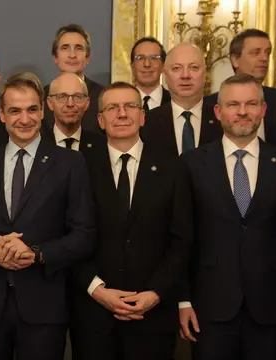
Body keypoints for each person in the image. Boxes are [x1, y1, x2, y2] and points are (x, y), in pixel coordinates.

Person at [0, 72, 95, 360]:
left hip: (43, 305)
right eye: (15, 110)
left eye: (31, 109)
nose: (24, 119)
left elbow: (84, 234)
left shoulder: (70, 163)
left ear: (43, 110)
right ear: (1, 114)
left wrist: (38, 254)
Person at [69, 82, 193, 360]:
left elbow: (181, 240)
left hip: (153, 315)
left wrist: (156, 293)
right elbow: (68, 236)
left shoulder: (173, 167)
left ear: (143, 115)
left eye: (130, 106)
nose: (122, 113)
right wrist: (97, 289)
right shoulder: (77, 166)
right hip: (93, 315)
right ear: (100, 119)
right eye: (112, 108)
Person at [179, 74, 276, 360]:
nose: (243, 112)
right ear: (218, 111)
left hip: (271, 307)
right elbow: (182, 237)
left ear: (263, 109)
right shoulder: (192, 163)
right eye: (233, 104)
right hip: (210, 308)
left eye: (251, 104)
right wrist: (183, 300)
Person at [142, 43, 222, 157]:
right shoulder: (147, 123)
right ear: (165, 74)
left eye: (193, 67)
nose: (185, 75)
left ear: (205, 74)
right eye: (176, 68)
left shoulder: (222, 120)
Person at [204, 29, 276, 145]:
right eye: (256, 52)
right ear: (235, 60)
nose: (264, 58)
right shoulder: (208, 106)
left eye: (267, 53)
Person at [44, 24, 105, 135]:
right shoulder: (40, 97)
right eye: (65, 48)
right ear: (56, 57)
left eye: (79, 48)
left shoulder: (104, 96)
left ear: (87, 57)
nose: (72, 55)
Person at [41, 72, 105, 158]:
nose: (70, 104)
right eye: (62, 97)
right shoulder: (38, 144)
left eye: (77, 97)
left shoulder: (102, 146)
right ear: (50, 103)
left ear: (87, 103)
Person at [130, 37, 171, 111]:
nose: (147, 64)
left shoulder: (176, 102)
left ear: (163, 66)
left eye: (154, 58)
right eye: (140, 58)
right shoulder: (119, 102)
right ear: (132, 66)